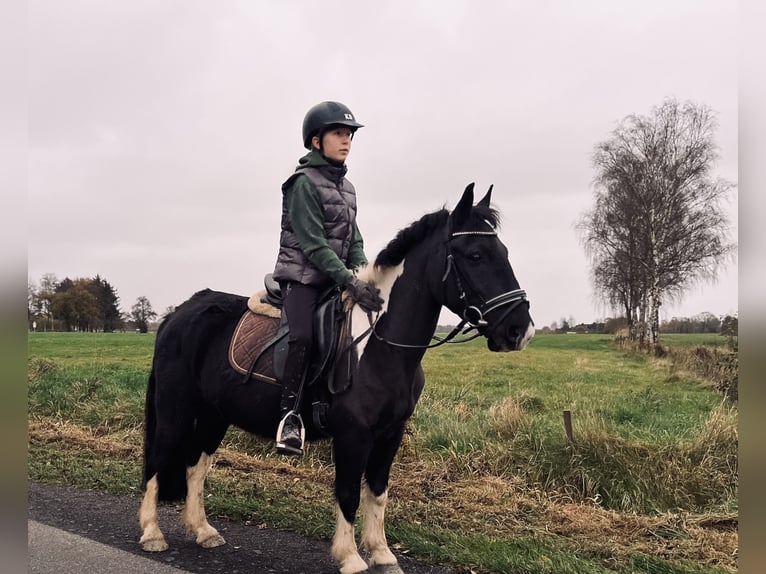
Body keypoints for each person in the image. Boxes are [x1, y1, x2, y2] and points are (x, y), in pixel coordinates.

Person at [271, 101, 384, 455]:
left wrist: (364, 272)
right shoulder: (302, 183)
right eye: (339, 133)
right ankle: (289, 417)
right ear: (316, 141)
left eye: (349, 134)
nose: (347, 140)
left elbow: (354, 239)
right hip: (302, 279)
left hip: (336, 279)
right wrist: (349, 281)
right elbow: (314, 244)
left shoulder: (347, 188)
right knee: (303, 338)